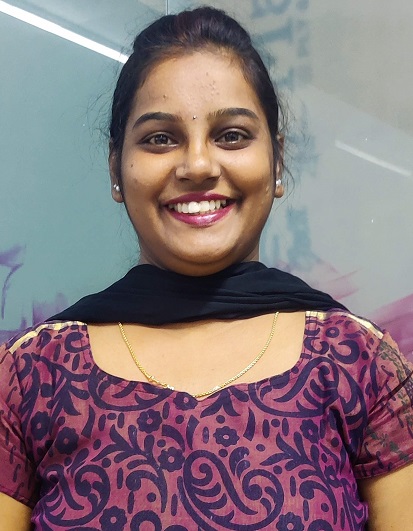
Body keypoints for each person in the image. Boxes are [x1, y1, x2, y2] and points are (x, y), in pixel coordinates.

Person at [1, 6, 412, 530]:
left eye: (232, 135)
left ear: (277, 161)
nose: (197, 165)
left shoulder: (359, 363)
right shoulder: (32, 373)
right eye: (160, 138)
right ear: (116, 169)